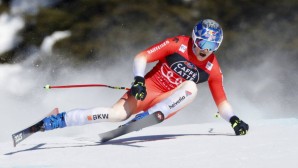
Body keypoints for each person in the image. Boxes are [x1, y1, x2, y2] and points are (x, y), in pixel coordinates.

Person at [43, 19, 249, 136]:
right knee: (114, 115)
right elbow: (141, 57)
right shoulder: (177, 44)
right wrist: (139, 80)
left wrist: (233, 119)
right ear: (195, 38)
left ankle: (148, 116)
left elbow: (221, 101)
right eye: (203, 43)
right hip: (146, 90)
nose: (205, 50)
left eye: (212, 47)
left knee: (191, 87)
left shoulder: (213, 68)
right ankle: (58, 120)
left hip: (165, 102)